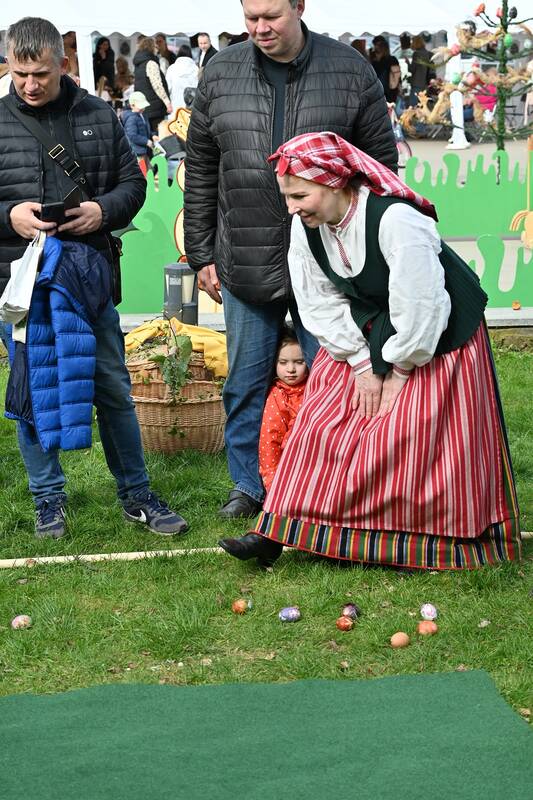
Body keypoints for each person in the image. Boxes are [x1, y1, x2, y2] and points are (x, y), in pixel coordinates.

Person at [219, 131, 520, 570]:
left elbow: (421, 305)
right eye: (286, 197)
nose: (292, 207)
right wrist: (361, 363)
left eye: (300, 195)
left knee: (412, 432)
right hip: (369, 327)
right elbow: (318, 299)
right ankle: (277, 530)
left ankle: (421, 542)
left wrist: (399, 371)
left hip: (438, 332)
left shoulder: (397, 220)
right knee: (321, 422)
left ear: (334, 183)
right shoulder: (307, 227)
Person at [184, 0, 398, 520]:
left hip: (329, 262)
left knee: (334, 378)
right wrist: (201, 252)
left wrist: (371, 250)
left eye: (272, 16)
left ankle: (331, 484)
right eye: (250, 16)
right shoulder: (221, 72)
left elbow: (381, 167)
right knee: (244, 382)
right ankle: (249, 486)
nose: (260, 28)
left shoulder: (349, 70)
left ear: (299, 7)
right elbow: (202, 166)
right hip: (245, 255)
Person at [0, 17, 187, 540]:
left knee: (112, 388)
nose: (29, 85)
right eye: (19, 74)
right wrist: (9, 217)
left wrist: (101, 212)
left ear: (63, 64)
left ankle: (137, 494)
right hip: (20, 285)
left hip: (90, 279)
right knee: (31, 392)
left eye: (40, 74)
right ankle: (47, 500)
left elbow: (133, 184)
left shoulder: (98, 114)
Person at [258, 328, 308, 492]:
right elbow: (270, 439)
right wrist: (272, 483)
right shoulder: (277, 396)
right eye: (283, 362)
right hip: (287, 470)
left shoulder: (314, 389)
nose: (291, 369)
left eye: (299, 362)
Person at [133, 36, 171, 135]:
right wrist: (167, 102)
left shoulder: (138, 64)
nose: (157, 49)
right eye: (155, 46)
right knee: (159, 135)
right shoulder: (151, 63)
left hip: (144, 105)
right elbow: (157, 85)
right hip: (155, 107)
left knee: (149, 135)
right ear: (151, 47)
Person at [122, 91, 154, 169]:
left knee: (149, 169)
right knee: (142, 170)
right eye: (140, 107)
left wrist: (153, 135)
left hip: (145, 150)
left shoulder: (142, 115)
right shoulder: (131, 118)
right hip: (137, 151)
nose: (143, 109)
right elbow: (132, 135)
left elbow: (146, 129)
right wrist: (146, 141)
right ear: (132, 105)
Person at [165, 45, 198, 114]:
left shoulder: (172, 69)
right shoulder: (195, 69)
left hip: (175, 105)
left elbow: (167, 87)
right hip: (192, 106)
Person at [369, 35, 401, 104]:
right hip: (390, 93)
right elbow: (398, 76)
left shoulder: (374, 62)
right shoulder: (392, 59)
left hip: (381, 93)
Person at [407, 35, 435, 107]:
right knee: (423, 106)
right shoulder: (429, 54)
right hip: (425, 83)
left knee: (413, 106)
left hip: (417, 83)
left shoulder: (416, 54)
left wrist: (408, 63)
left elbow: (412, 69)